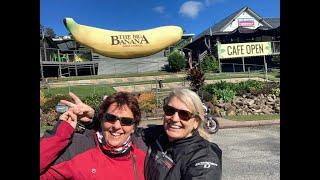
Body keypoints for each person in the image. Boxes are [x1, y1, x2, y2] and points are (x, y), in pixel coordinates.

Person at [57, 88, 222, 180]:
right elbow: (123, 129)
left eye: (184, 114)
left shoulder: (204, 157)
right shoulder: (158, 135)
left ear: (196, 122)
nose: (175, 118)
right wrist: (96, 118)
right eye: (170, 110)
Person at [40, 92, 147, 179]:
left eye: (126, 121)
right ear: (101, 119)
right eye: (110, 118)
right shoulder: (78, 149)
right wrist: (62, 132)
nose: (117, 126)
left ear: (133, 127)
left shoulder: (144, 156)